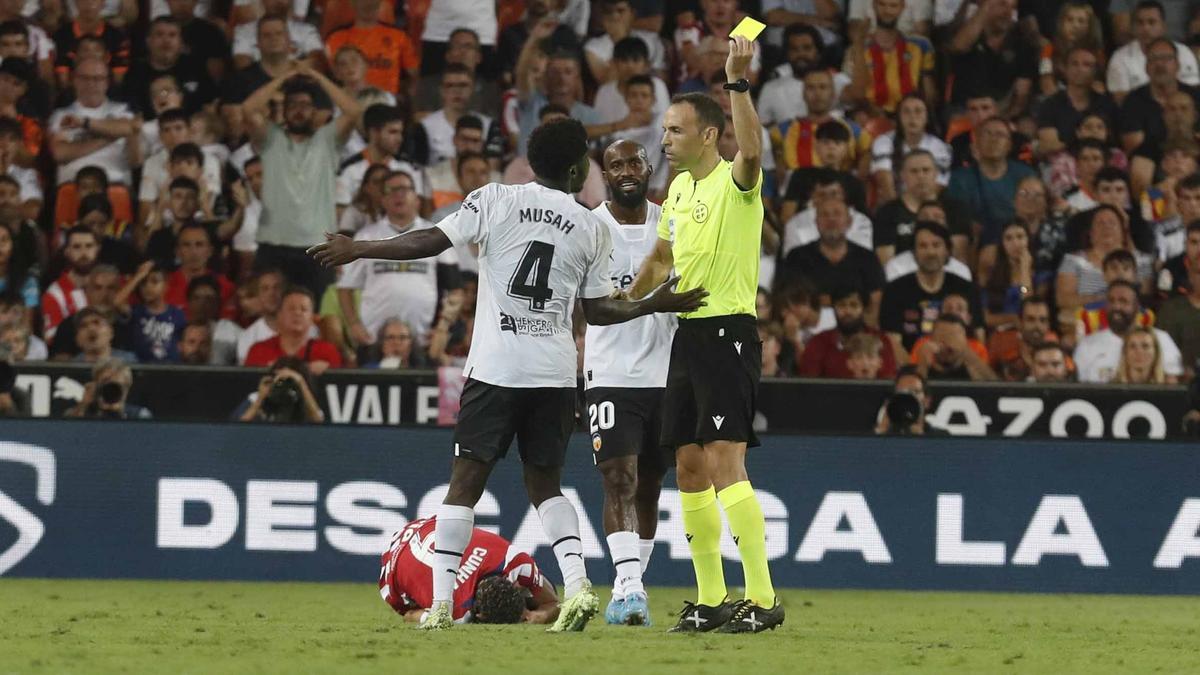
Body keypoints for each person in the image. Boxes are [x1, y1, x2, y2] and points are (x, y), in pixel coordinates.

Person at [308, 117, 705, 633]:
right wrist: (655, 303)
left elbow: (430, 240)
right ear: (576, 170)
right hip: (553, 374)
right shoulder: (590, 226)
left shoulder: (494, 198)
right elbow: (599, 311)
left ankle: (443, 604)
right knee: (547, 486)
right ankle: (579, 586)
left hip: (495, 369)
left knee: (464, 486)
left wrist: (360, 247)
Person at [625, 36, 782, 634]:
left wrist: (737, 81)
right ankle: (712, 598)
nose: (664, 139)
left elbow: (753, 150)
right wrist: (623, 302)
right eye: (664, 130)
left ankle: (763, 599)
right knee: (689, 465)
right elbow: (661, 260)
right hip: (687, 335)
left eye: (675, 130)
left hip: (728, 332)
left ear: (709, 135)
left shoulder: (735, 183)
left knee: (724, 462)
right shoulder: (678, 192)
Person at [585, 139, 676, 627]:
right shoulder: (590, 228)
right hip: (610, 373)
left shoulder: (671, 222)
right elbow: (588, 307)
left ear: (647, 167)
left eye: (633, 162)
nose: (625, 171)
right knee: (619, 477)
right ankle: (632, 586)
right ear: (604, 174)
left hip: (666, 372)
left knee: (651, 485)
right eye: (615, 164)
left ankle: (626, 590)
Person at [243, 61, 362, 300]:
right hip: (273, 245)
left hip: (318, 246)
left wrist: (317, 77)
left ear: (315, 111)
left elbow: (354, 111)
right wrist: (285, 76)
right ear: (284, 111)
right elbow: (248, 109)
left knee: (317, 313)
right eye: (293, 105)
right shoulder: (271, 139)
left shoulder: (327, 141)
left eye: (306, 105)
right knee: (271, 309)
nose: (299, 110)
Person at [336, 170, 459, 350]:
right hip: (374, 339)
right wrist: (354, 324)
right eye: (391, 190)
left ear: (417, 198)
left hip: (422, 339)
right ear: (383, 200)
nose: (398, 195)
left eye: (404, 189)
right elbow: (345, 287)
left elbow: (456, 289)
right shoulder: (365, 237)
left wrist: (442, 328)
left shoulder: (436, 235)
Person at [378, 515, 560, 625]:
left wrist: (543, 614)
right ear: (480, 615)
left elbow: (554, 602)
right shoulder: (455, 613)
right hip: (393, 562)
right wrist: (426, 616)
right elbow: (409, 614)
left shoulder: (514, 560)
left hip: (430, 527)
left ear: (515, 585)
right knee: (411, 608)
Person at [880, 221, 983, 354]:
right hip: (911, 363)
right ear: (914, 252)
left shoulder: (966, 289)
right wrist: (915, 366)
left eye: (936, 245)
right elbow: (893, 344)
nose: (930, 252)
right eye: (923, 246)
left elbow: (979, 337)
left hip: (960, 363)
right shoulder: (895, 290)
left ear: (947, 250)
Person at [781, 197, 885, 324]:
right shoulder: (796, 257)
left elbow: (876, 304)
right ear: (816, 222)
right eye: (824, 215)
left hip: (856, 327)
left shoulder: (868, 258)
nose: (831, 219)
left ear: (849, 222)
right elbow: (791, 301)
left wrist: (822, 301)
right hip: (809, 327)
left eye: (837, 213)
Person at [873, 151, 973, 270]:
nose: (920, 176)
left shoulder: (955, 209)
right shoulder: (887, 213)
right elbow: (887, 263)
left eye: (926, 170)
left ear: (936, 173)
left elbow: (959, 257)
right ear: (902, 176)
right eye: (914, 171)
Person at [947, 117, 1037, 247]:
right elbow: (960, 219)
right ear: (977, 143)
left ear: (1009, 145)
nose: (993, 139)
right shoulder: (960, 178)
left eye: (1000, 135)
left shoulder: (1025, 175)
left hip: (1019, 238)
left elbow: (1033, 213)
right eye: (987, 134)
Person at [49, 58, 138, 187]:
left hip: (115, 185)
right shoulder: (61, 115)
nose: (91, 84)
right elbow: (60, 154)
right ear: (74, 80)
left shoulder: (122, 110)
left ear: (107, 82)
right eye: (85, 78)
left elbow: (129, 128)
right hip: (73, 185)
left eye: (98, 79)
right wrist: (111, 136)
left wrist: (85, 123)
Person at [1074, 280, 1184, 382]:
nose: (1116, 307)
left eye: (1123, 301)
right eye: (1111, 301)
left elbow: (1174, 382)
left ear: (1137, 306)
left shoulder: (1161, 339)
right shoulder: (1087, 345)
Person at [844, 0, 937, 116]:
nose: (887, 11)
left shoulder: (921, 45)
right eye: (882, 4)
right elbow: (852, 94)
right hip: (870, 116)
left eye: (893, 6)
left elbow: (929, 92)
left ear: (902, 7)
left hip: (909, 115)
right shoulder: (857, 50)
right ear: (874, 5)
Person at [1107, 0, 1200, 102]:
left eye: (1152, 22)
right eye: (1140, 23)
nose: (1146, 28)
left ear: (1163, 26)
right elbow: (1119, 98)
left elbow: (1192, 91)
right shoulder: (1120, 58)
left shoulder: (1184, 52)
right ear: (1133, 27)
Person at [797, 287, 898, 379]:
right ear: (834, 308)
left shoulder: (881, 339)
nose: (848, 311)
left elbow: (888, 381)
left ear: (863, 308)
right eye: (841, 305)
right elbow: (809, 383)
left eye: (854, 305)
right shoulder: (818, 342)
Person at [324, 0, 418, 95]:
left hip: (388, 99)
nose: (368, 4)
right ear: (353, 4)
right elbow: (331, 75)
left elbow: (414, 73)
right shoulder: (336, 38)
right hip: (349, 98)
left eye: (373, 1)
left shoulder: (398, 36)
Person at [1036, 46, 1118, 155]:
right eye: (1074, 64)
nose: (1080, 69)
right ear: (1064, 69)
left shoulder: (1107, 104)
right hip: (1062, 161)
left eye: (1087, 65)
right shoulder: (1050, 104)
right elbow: (1049, 145)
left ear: (1095, 71)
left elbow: (1113, 141)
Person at [870, 94, 951, 203]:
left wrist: (918, 208)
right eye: (906, 112)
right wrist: (900, 209)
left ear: (927, 117)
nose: (912, 117)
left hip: (927, 204)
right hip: (893, 205)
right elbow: (885, 184)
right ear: (899, 117)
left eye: (918, 111)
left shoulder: (940, 148)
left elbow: (936, 187)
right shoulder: (883, 142)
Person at [244, 286, 343, 374]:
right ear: (279, 316)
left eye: (304, 309)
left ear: (312, 318)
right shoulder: (259, 351)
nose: (297, 313)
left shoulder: (327, 352)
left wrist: (328, 373)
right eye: (291, 308)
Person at [42, 225, 99, 343]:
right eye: (77, 247)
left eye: (89, 246)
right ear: (67, 252)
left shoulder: (110, 285)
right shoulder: (54, 294)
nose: (84, 253)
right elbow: (52, 340)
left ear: (97, 249)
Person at [237, 356, 325, 423]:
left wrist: (301, 382)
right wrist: (260, 398)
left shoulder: (307, 398)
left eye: (290, 380)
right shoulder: (256, 397)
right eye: (281, 379)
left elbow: (318, 422)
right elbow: (240, 427)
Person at [988, 296, 1057, 382]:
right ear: (1020, 322)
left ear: (1048, 324)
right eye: (1031, 320)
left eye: (1042, 320)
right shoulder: (1004, 351)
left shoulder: (1057, 355)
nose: (1037, 326)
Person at [912, 314, 998, 381]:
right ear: (932, 338)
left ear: (965, 340)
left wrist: (967, 354)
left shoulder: (972, 370)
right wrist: (923, 365)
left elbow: (996, 388)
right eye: (942, 336)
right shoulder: (917, 369)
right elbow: (914, 392)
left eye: (953, 336)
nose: (947, 342)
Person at [64, 357, 150, 418]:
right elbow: (68, 431)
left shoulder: (140, 415)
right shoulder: (82, 412)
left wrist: (120, 414)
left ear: (126, 388)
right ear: (96, 384)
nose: (111, 388)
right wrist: (83, 405)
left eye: (116, 383)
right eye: (105, 381)